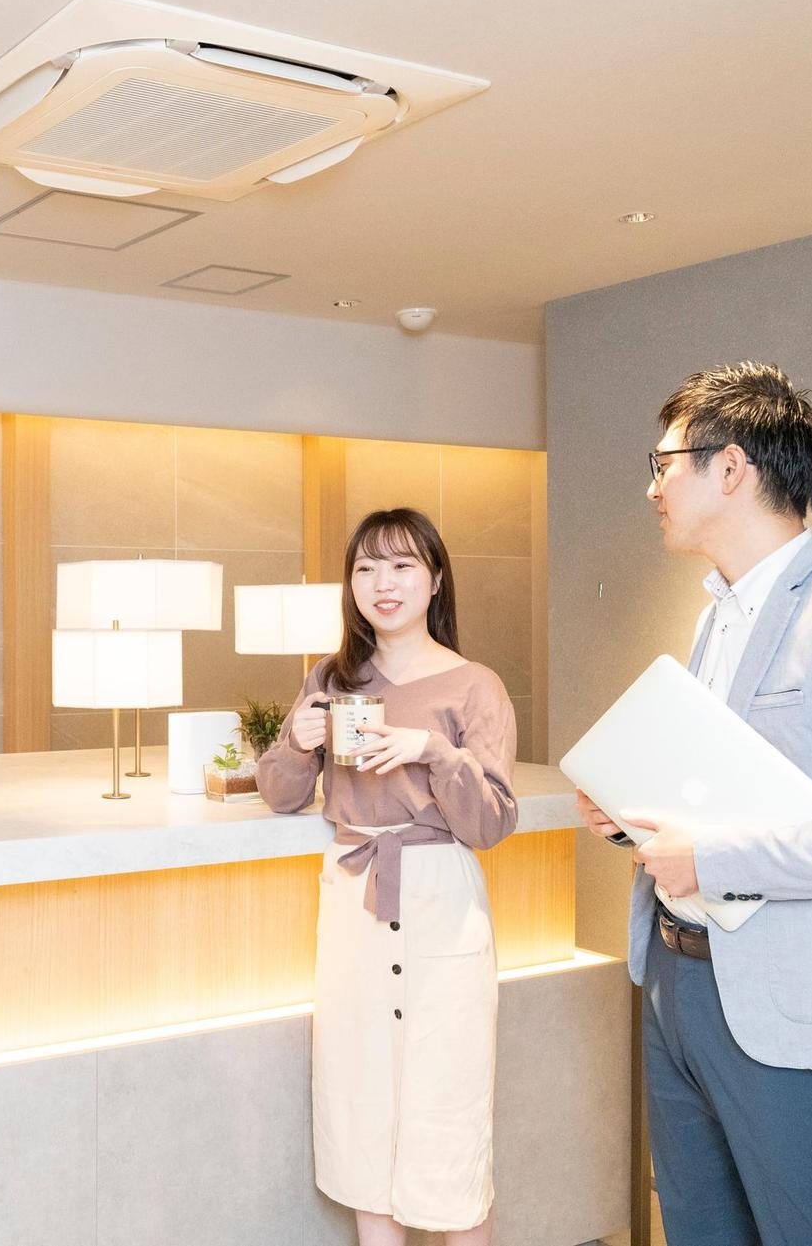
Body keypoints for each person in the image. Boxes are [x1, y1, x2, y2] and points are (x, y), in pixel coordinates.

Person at [576, 362, 812, 1246]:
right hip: (680, 983)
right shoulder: (717, 617)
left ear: (731, 467)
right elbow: (728, 788)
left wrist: (712, 859)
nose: (651, 487)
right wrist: (637, 817)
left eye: (663, 463)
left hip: (793, 1008)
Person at [257, 508, 517, 1246]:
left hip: (440, 896)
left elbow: (493, 821)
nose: (383, 583)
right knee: (361, 1102)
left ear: (435, 580)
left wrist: (433, 750)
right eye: (366, 567)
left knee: (448, 1102)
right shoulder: (331, 677)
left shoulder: (476, 685)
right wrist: (298, 742)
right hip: (353, 898)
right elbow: (278, 791)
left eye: (403, 565)